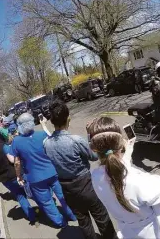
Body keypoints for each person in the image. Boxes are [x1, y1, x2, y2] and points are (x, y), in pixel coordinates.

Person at [87, 117, 160, 238]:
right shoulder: (137, 180)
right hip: (154, 232)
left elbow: (115, 169)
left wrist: (128, 153)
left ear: (93, 149)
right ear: (121, 142)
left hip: (128, 232)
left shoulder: (95, 177)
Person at [44, 101, 117, 239]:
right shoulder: (75, 140)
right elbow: (94, 156)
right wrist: (89, 134)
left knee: (83, 221)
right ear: (68, 119)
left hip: (66, 188)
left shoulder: (47, 143)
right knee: (101, 216)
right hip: (85, 184)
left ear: (52, 121)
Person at [11, 112, 76, 228]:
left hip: (35, 178)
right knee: (63, 195)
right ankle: (73, 215)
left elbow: (16, 162)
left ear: (19, 126)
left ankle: (60, 222)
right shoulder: (42, 135)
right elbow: (53, 143)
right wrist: (44, 125)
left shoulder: (16, 141)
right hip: (52, 171)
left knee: (47, 202)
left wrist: (18, 176)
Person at [0, 129, 37, 225]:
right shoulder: (3, 146)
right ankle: (47, 208)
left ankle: (32, 216)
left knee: (20, 196)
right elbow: (13, 160)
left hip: (4, 179)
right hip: (15, 174)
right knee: (31, 191)